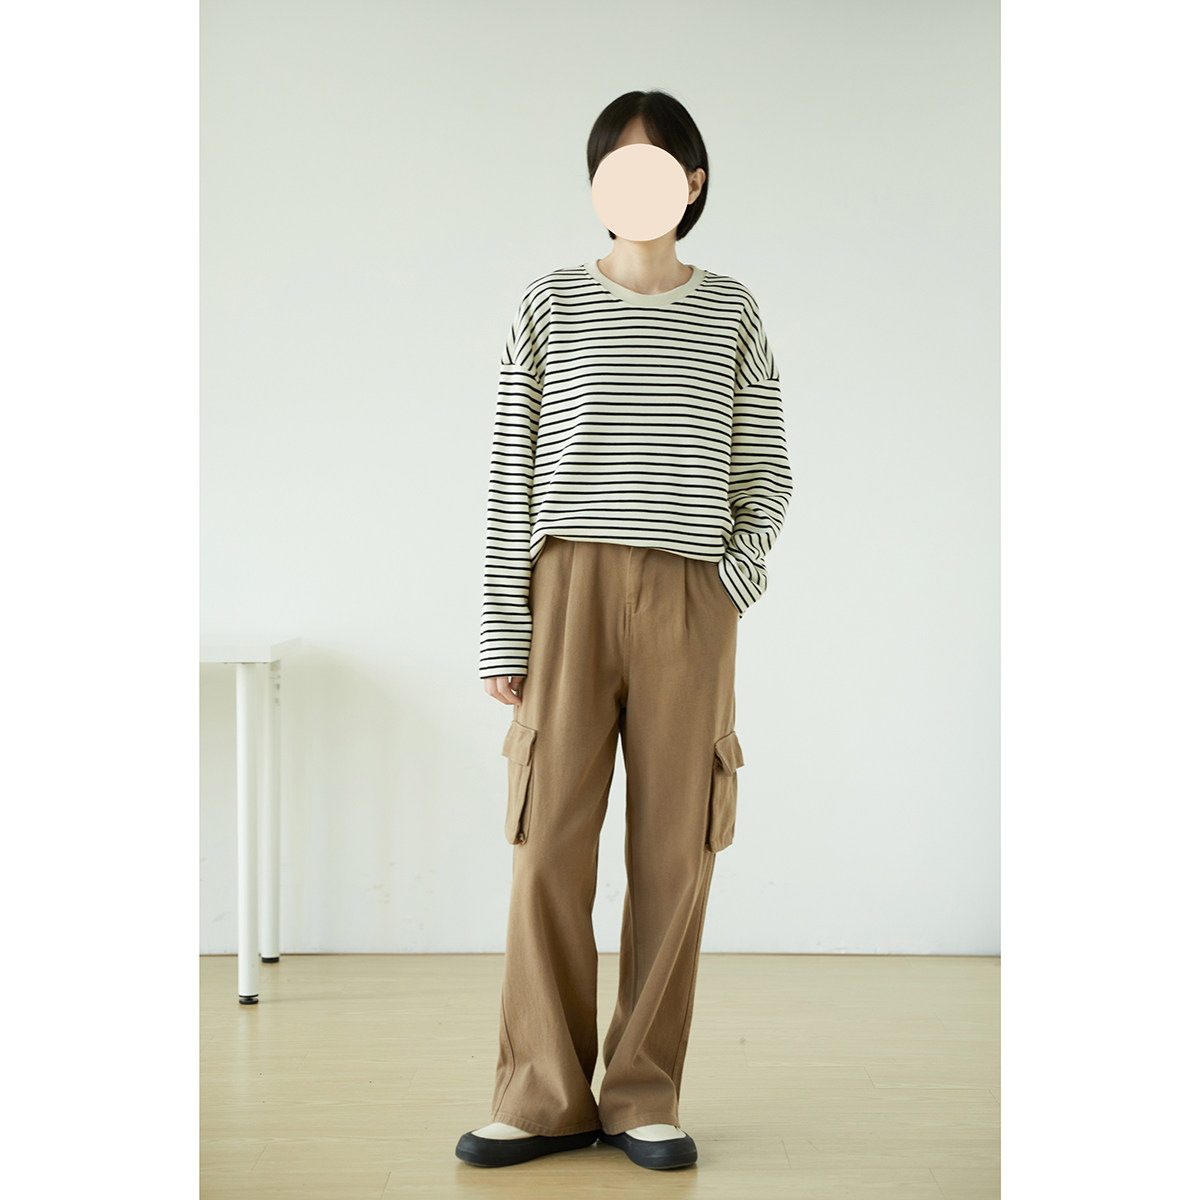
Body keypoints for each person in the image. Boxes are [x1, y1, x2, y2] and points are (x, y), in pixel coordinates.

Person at [456, 89, 792, 1173]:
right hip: (567, 592)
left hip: (690, 595)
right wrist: (505, 628)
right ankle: (541, 1096)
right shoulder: (550, 302)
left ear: (694, 182)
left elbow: (766, 469)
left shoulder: (731, 309)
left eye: (659, 166)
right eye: (616, 165)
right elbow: (511, 475)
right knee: (547, 843)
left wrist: (729, 582)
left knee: (673, 852)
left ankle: (644, 1093)